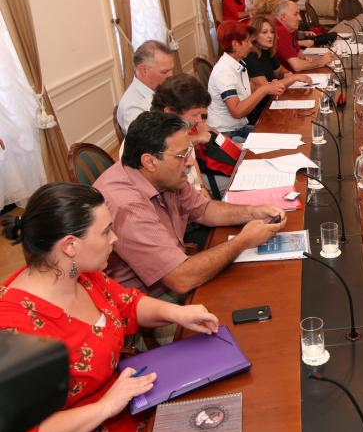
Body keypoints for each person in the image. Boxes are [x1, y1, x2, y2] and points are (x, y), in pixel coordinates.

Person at [0, 182, 220, 432]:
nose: (114, 238)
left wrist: (177, 313)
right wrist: (105, 406)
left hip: (129, 402)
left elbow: (128, 305)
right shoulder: (13, 328)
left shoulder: (81, 274)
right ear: (70, 246)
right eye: (105, 232)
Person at [94, 111, 286, 299]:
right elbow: (181, 278)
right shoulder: (127, 206)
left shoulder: (164, 176)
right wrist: (242, 242)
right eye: (182, 155)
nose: (190, 162)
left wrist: (251, 212)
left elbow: (203, 209)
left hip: (176, 271)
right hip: (145, 299)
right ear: (150, 161)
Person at [150, 74, 240, 198]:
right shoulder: (156, 142)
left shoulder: (180, 130)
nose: (199, 120)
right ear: (170, 112)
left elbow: (193, 162)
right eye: (194, 115)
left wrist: (202, 187)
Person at [206, 21, 273, 141]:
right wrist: (264, 89)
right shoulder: (224, 71)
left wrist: (270, 86)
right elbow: (237, 111)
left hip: (238, 127)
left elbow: (249, 91)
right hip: (226, 134)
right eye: (247, 41)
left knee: (274, 135)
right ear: (235, 44)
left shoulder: (238, 63)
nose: (251, 46)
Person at [116, 40, 175, 134]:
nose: (171, 75)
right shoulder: (133, 108)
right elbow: (154, 142)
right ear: (144, 70)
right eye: (164, 72)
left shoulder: (161, 87)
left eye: (172, 70)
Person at [273, 0, 336, 72]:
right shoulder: (280, 30)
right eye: (295, 14)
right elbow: (297, 66)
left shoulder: (289, 29)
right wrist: (320, 61)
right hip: (286, 76)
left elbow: (300, 55)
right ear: (283, 17)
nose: (300, 18)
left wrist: (308, 61)